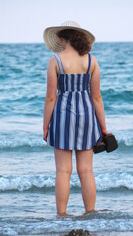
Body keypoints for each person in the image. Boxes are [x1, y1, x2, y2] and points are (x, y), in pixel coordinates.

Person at [42, 21, 108, 217]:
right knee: (86, 170)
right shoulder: (92, 61)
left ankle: (62, 213)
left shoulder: (55, 60)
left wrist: (46, 126)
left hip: (63, 116)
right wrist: (104, 128)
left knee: (63, 171)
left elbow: (51, 97)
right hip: (87, 116)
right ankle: (90, 211)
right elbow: (96, 97)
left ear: (62, 39)